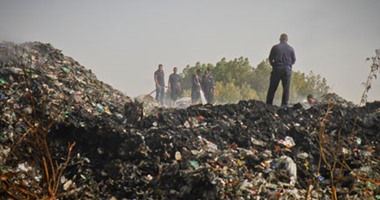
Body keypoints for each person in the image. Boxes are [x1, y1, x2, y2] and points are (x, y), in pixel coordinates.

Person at [266, 33, 296, 107]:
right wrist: (288, 66)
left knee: (272, 87)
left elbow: (270, 59)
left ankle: (268, 104)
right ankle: (284, 105)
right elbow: (294, 60)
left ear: (280, 39)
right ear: (287, 40)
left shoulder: (275, 47)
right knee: (286, 88)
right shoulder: (291, 49)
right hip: (287, 70)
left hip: (277, 68)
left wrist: (274, 65)